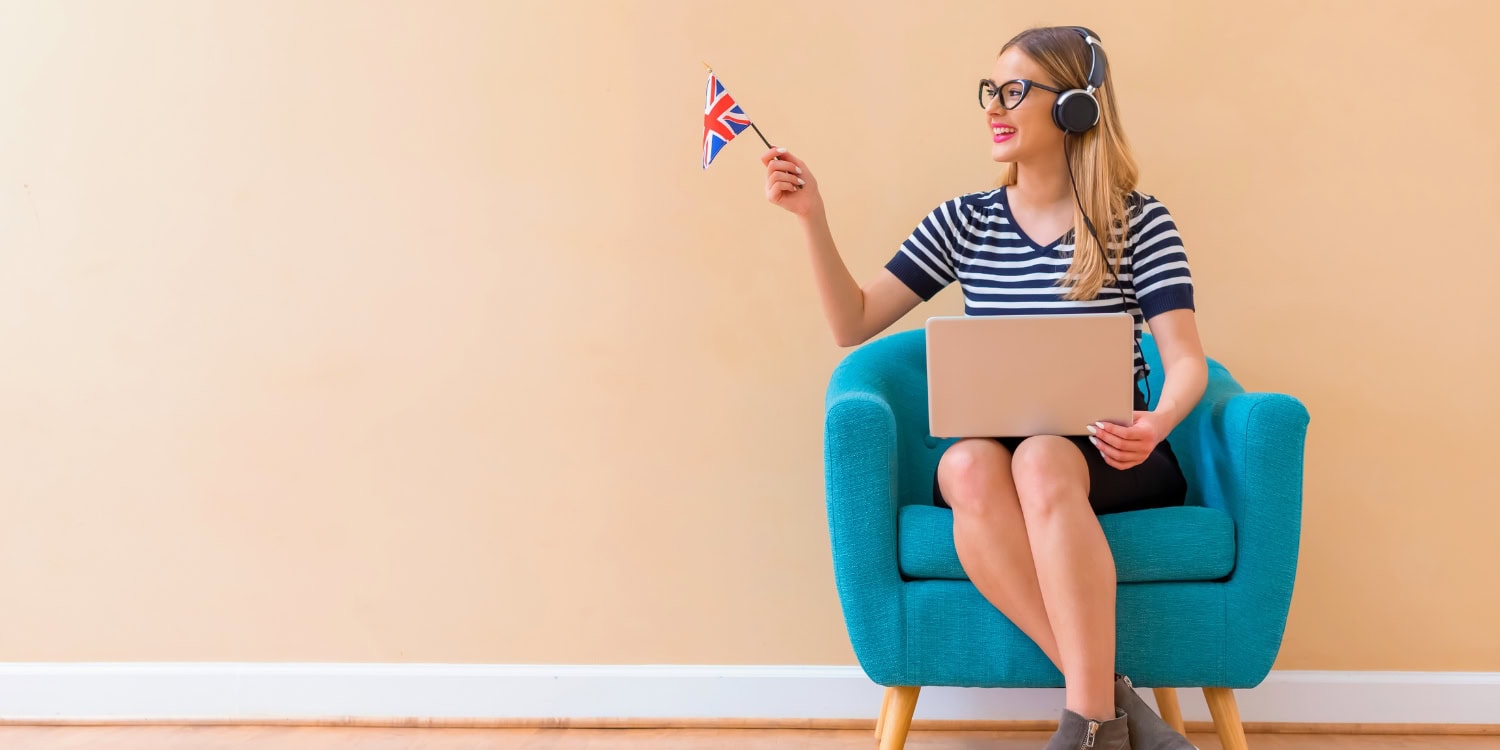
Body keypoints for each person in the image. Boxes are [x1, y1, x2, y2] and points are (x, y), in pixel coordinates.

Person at [764, 25, 1207, 750]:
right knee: (965, 462)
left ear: (1073, 110)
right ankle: (1110, 706)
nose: (994, 109)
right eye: (989, 92)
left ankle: (1088, 724)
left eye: (1012, 92)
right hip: (1001, 453)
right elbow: (854, 320)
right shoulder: (966, 221)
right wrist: (811, 217)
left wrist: (1155, 423)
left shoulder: (1138, 222)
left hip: (1111, 454)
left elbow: (1186, 360)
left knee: (1041, 457)